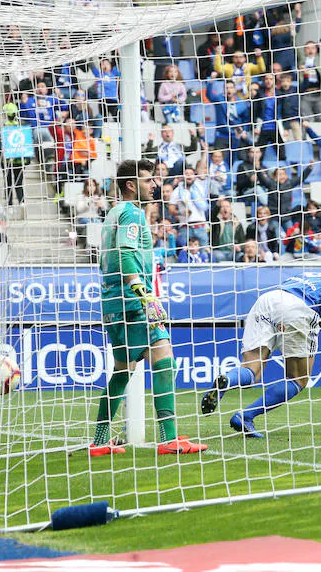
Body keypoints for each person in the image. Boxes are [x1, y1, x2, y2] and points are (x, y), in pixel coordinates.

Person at [89, 159, 207, 457]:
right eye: (148, 181)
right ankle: (168, 439)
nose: (155, 185)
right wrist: (145, 294)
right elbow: (127, 255)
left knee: (122, 370)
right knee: (164, 356)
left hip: (112, 303)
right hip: (131, 302)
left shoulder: (114, 213)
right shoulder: (131, 214)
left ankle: (100, 441)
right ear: (131, 185)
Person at [199, 263, 321, 437]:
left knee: (251, 370)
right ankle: (245, 416)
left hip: (268, 299)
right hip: (298, 308)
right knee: (298, 380)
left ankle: (227, 381)